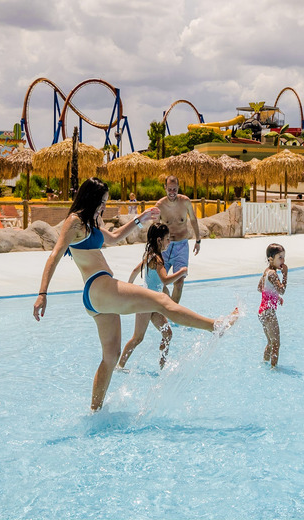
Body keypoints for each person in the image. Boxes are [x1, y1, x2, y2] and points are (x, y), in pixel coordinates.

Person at [33, 177, 237, 411]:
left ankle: (94, 412)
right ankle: (216, 325)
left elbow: (115, 237)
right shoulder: (75, 221)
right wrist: (42, 293)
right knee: (160, 300)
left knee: (111, 357)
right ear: (91, 198)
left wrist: (140, 220)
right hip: (99, 286)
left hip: (98, 298)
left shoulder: (92, 221)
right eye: (102, 202)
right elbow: (55, 255)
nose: (103, 207)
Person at [117, 223, 185, 370]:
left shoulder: (150, 255)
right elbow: (165, 279)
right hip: (146, 302)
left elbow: (136, 270)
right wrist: (182, 272)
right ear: (159, 240)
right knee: (138, 337)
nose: (169, 242)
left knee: (167, 334)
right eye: (167, 238)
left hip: (153, 302)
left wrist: (129, 286)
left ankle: (162, 365)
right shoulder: (157, 259)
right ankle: (120, 366)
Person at [154, 175, 201, 304]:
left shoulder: (185, 202)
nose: (172, 192)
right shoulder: (160, 205)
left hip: (182, 247)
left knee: (179, 283)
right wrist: (154, 248)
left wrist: (198, 240)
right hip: (164, 248)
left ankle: (174, 311)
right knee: (159, 283)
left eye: (175, 189)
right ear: (165, 188)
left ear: (178, 188)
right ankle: (168, 306)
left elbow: (193, 219)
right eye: (170, 189)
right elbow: (155, 228)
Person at [257, 243, 288, 367]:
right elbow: (283, 290)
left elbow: (260, 288)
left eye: (284, 257)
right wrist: (285, 275)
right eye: (280, 257)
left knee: (270, 343)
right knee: (276, 344)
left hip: (262, 312)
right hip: (269, 312)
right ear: (270, 259)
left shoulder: (266, 272)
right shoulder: (273, 274)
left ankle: (264, 364)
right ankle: (273, 369)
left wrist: (275, 296)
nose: (283, 260)